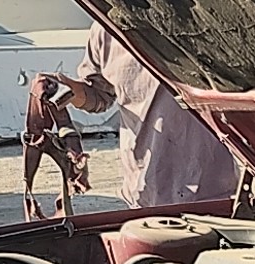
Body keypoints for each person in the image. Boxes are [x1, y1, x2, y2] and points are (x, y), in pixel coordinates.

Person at [56, 24, 240, 209]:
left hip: (215, 193)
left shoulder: (206, 22)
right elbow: (99, 94)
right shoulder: (106, 30)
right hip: (142, 192)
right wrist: (68, 89)